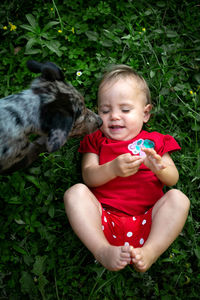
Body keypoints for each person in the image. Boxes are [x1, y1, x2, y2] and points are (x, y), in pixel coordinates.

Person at [63, 65, 190, 272]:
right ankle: (102, 249)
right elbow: (88, 176)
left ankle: (150, 251)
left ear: (145, 114)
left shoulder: (155, 141)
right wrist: (112, 169)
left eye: (125, 110)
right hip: (103, 219)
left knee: (179, 199)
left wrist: (159, 168)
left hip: (149, 221)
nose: (114, 116)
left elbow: (173, 179)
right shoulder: (96, 139)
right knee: (75, 193)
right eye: (105, 110)